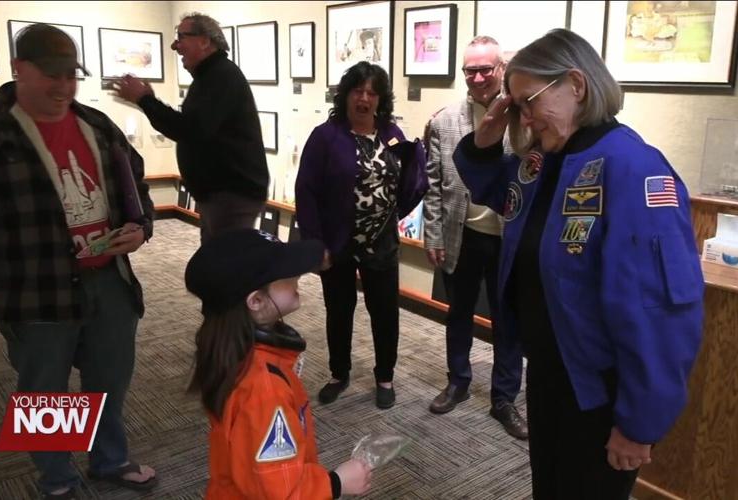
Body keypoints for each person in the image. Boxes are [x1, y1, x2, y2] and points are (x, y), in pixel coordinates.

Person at [452, 29, 704, 499]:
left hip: (602, 392)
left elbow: (662, 311)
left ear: (576, 84)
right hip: (552, 370)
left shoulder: (633, 167)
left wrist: (639, 423)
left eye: (529, 102)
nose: (523, 116)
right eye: (517, 104)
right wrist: (485, 141)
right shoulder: (547, 158)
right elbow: (501, 195)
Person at [0, 24, 157, 499]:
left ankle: (109, 460)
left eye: (71, 75)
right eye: (51, 75)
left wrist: (141, 226)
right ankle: (58, 480)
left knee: (109, 380)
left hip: (109, 282)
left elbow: (136, 188)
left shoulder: (97, 124)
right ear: (19, 68)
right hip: (33, 291)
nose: (63, 87)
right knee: (46, 391)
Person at [184, 229, 372, 499]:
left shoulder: (233, 352)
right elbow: (281, 492)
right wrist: (337, 482)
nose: (298, 276)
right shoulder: (264, 388)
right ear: (256, 302)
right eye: (286, 275)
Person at [295, 61, 427, 409]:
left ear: (381, 98)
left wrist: (398, 208)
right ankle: (339, 374)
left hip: (381, 241)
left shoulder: (391, 133)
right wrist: (314, 242)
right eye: (358, 91)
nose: (364, 98)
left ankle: (385, 376)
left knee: (385, 311)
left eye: (372, 92)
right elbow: (306, 190)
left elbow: (411, 176)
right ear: (346, 95)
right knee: (339, 310)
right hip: (337, 242)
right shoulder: (326, 136)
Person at [422, 36, 527, 440]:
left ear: (502, 68)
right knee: (459, 312)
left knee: (508, 321)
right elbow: (433, 183)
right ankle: (458, 381)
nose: (479, 77)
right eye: (471, 70)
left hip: (508, 238)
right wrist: (433, 233)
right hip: (460, 233)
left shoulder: (522, 115)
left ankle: (504, 398)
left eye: (487, 69)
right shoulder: (445, 120)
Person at [113, 12, 268, 243]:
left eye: (181, 37)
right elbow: (193, 128)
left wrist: (145, 100)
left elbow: (190, 130)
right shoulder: (211, 76)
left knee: (228, 266)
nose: (175, 46)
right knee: (220, 261)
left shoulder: (220, 77)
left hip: (230, 195)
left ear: (205, 41)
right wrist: (146, 100)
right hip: (222, 194)